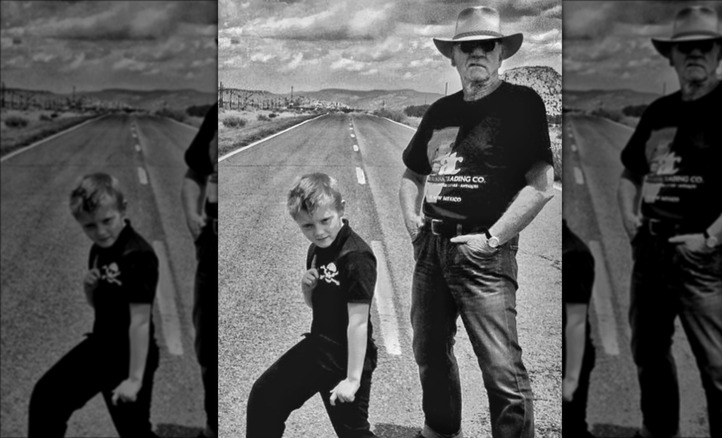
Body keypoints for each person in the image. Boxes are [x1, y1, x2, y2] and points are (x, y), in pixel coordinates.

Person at [617, 6, 722, 438]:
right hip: (649, 251)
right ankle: (657, 430)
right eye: (684, 48)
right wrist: (631, 223)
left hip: (700, 256)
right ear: (671, 56)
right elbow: (631, 173)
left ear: (720, 51)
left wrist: (710, 237)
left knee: (720, 368)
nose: (694, 55)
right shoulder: (659, 111)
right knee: (648, 351)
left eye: (703, 46)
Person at [399, 6, 555, 438]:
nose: (476, 54)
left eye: (486, 45)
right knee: (429, 349)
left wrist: (492, 238)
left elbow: (541, 186)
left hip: (482, 253)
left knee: (501, 368)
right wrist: (413, 222)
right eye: (466, 47)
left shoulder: (522, 105)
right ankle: (440, 429)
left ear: (501, 52)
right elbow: (413, 173)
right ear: (453, 56)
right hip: (431, 250)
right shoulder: (440, 111)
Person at [246, 173, 379, 438]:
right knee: (264, 399)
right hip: (319, 348)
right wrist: (308, 289)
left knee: (353, 433)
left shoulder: (356, 257)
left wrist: (352, 380)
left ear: (341, 208)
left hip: (346, 358)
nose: (318, 232)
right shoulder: (316, 250)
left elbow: (359, 322)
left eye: (325, 221)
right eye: (307, 226)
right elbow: (317, 305)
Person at [29, 173, 159, 438]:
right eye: (90, 226)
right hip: (101, 347)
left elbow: (140, 322)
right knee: (47, 399)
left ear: (123, 208)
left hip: (129, 357)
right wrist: (89, 288)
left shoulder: (138, 256)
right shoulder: (99, 249)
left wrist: (134, 380)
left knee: (135, 432)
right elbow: (100, 306)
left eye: (107, 221)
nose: (100, 232)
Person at [181, 102, 217, 438]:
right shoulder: (214, 117)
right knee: (207, 343)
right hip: (212, 246)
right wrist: (193, 220)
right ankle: (211, 426)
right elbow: (194, 175)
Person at [562, 220, 596, 438]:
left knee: (574, 427)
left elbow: (577, 320)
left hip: (574, 356)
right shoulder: (570, 248)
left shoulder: (574, 253)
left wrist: (571, 379)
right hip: (569, 352)